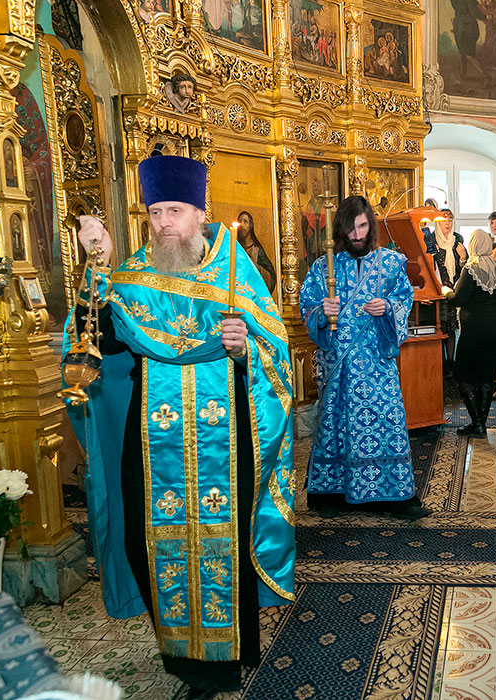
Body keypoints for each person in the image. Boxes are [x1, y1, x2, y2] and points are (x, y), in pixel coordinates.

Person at [65, 155, 295, 699]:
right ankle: (181, 654)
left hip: (226, 436)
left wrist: (245, 350)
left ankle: (226, 656)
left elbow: (276, 350)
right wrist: (95, 266)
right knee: (148, 541)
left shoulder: (235, 274)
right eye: (156, 212)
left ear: (199, 212)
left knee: (227, 541)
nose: (165, 222)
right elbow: (98, 340)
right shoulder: (131, 277)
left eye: (175, 211)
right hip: (152, 440)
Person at [299, 195, 429, 521]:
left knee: (387, 422)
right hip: (339, 366)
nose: (356, 235)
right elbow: (307, 307)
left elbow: (404, 300)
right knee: (335, 424)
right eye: (350, 229)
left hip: (377, 364)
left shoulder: (392, 263)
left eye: (362, 227)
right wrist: (321, 310)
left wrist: (388, 308)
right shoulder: (323, 267)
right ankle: (331, 493)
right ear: (340, 230)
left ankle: (397, 496)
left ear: (370, 225)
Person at [446, 230, 496, 438]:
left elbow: (458, 299)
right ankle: (481, 423)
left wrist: (447, 293)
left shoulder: (471, 269)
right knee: (486, 375)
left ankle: (477, 423)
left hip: (474, 328)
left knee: (464, 375)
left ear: (474, 245)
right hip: (495, 326)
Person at [425, 208, 467, 366]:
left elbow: (465, 269)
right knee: (438, 327)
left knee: (451, 328)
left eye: (450, 220)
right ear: (437, 223)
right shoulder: (430, 240)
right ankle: (439, 363)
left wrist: (463, 258)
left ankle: (450, 363)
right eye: (444, 220)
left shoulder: (457, 240)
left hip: (454, 290)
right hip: (436, 290)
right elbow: (427, 265)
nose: (447, 223)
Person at [235, 210, 277, 294]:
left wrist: (255, 266)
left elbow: (271, 279)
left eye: (245, 222)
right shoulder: (236, 249)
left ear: (250, 226)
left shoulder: (257, 250)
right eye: (239, 222)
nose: (241, 225)